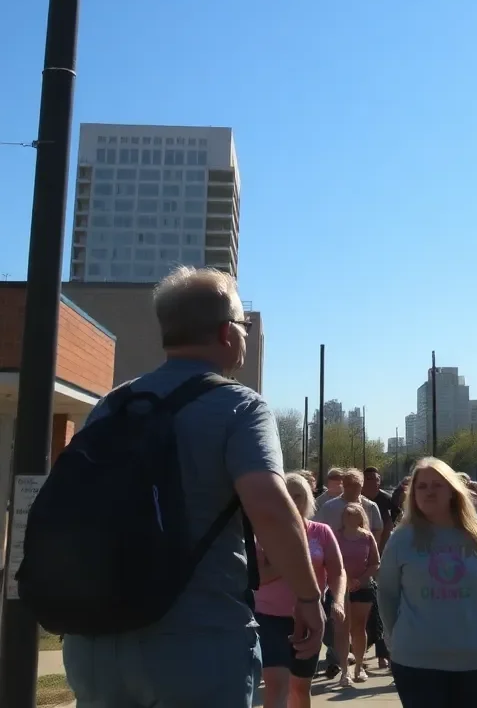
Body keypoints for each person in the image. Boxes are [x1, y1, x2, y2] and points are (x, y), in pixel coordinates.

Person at [62, 266, 325, 708]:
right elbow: (269, 505)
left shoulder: (113, 404)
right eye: (244, 325)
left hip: (95, 639)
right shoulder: (240, 406)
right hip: (198, 642)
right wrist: (307, 596)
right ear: (226, 333)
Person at [377, 457, 477, 707]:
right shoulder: (401, 540)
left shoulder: (476, 537)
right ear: (412, 495)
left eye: (437, 485)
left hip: (469, 659)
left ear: (452, 491)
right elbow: (387, 594)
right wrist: (392, 637)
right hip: (414, 659)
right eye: (422, 486)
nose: (429, 491)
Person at [255, 473, 345, 708]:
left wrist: (338, 601)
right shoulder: (264, 534)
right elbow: (258, 579)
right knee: (276, 682)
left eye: (298, 495)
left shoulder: (322, 532)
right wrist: (292, 559)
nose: (292, 501)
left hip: (309, 619)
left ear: (308, 499)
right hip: (269, 618)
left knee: (300, 686)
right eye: (287, 495)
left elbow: (337, 572)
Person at [335, 502, 380, 685]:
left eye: (354, 515)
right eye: (347, 515)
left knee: (359, 628)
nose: (350, 519)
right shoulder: (336, 536)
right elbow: (330, 560)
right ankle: (344, 670)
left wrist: (359, 580)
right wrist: (344, 581)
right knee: (343, 628)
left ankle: (359, 667)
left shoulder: (367, 537)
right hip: (341, 587)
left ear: (361, 517)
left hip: (363, 587)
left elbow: (375, 563)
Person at [363, 466, 396, 669]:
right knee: (365, 607)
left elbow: (391, 524)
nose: (372, 482)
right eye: (367, 479)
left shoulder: (386, 500)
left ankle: (383, 652)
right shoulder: (355, 500)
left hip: (382, 557)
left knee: (381, 604)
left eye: (375, 479)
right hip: (359, 559)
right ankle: (361, 647)